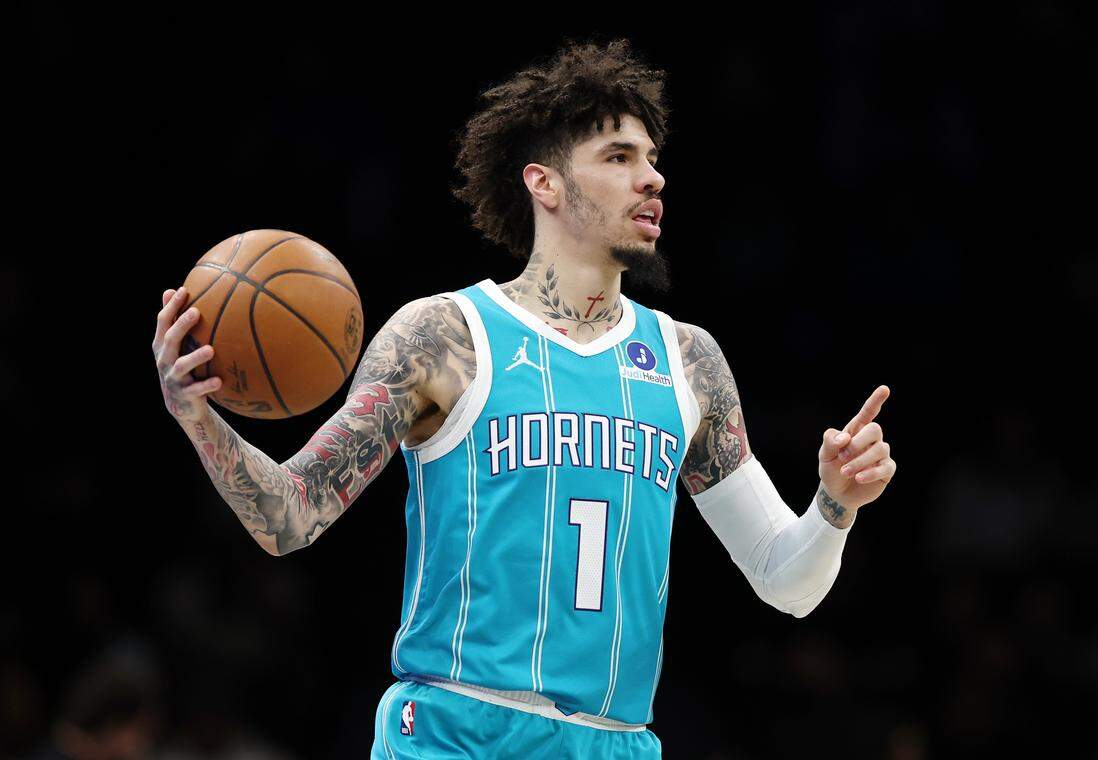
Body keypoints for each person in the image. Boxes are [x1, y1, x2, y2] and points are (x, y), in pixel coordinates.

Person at [152, 38, 897, 759]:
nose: (652, 179)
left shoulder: (689, 361)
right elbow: (290, 515)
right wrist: (197, 416)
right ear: (544, 183)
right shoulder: (445, 337)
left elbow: (786, 583)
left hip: (616, 743)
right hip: (456, 734)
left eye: (652, 160)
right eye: (619, 157)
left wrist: (834, 505)